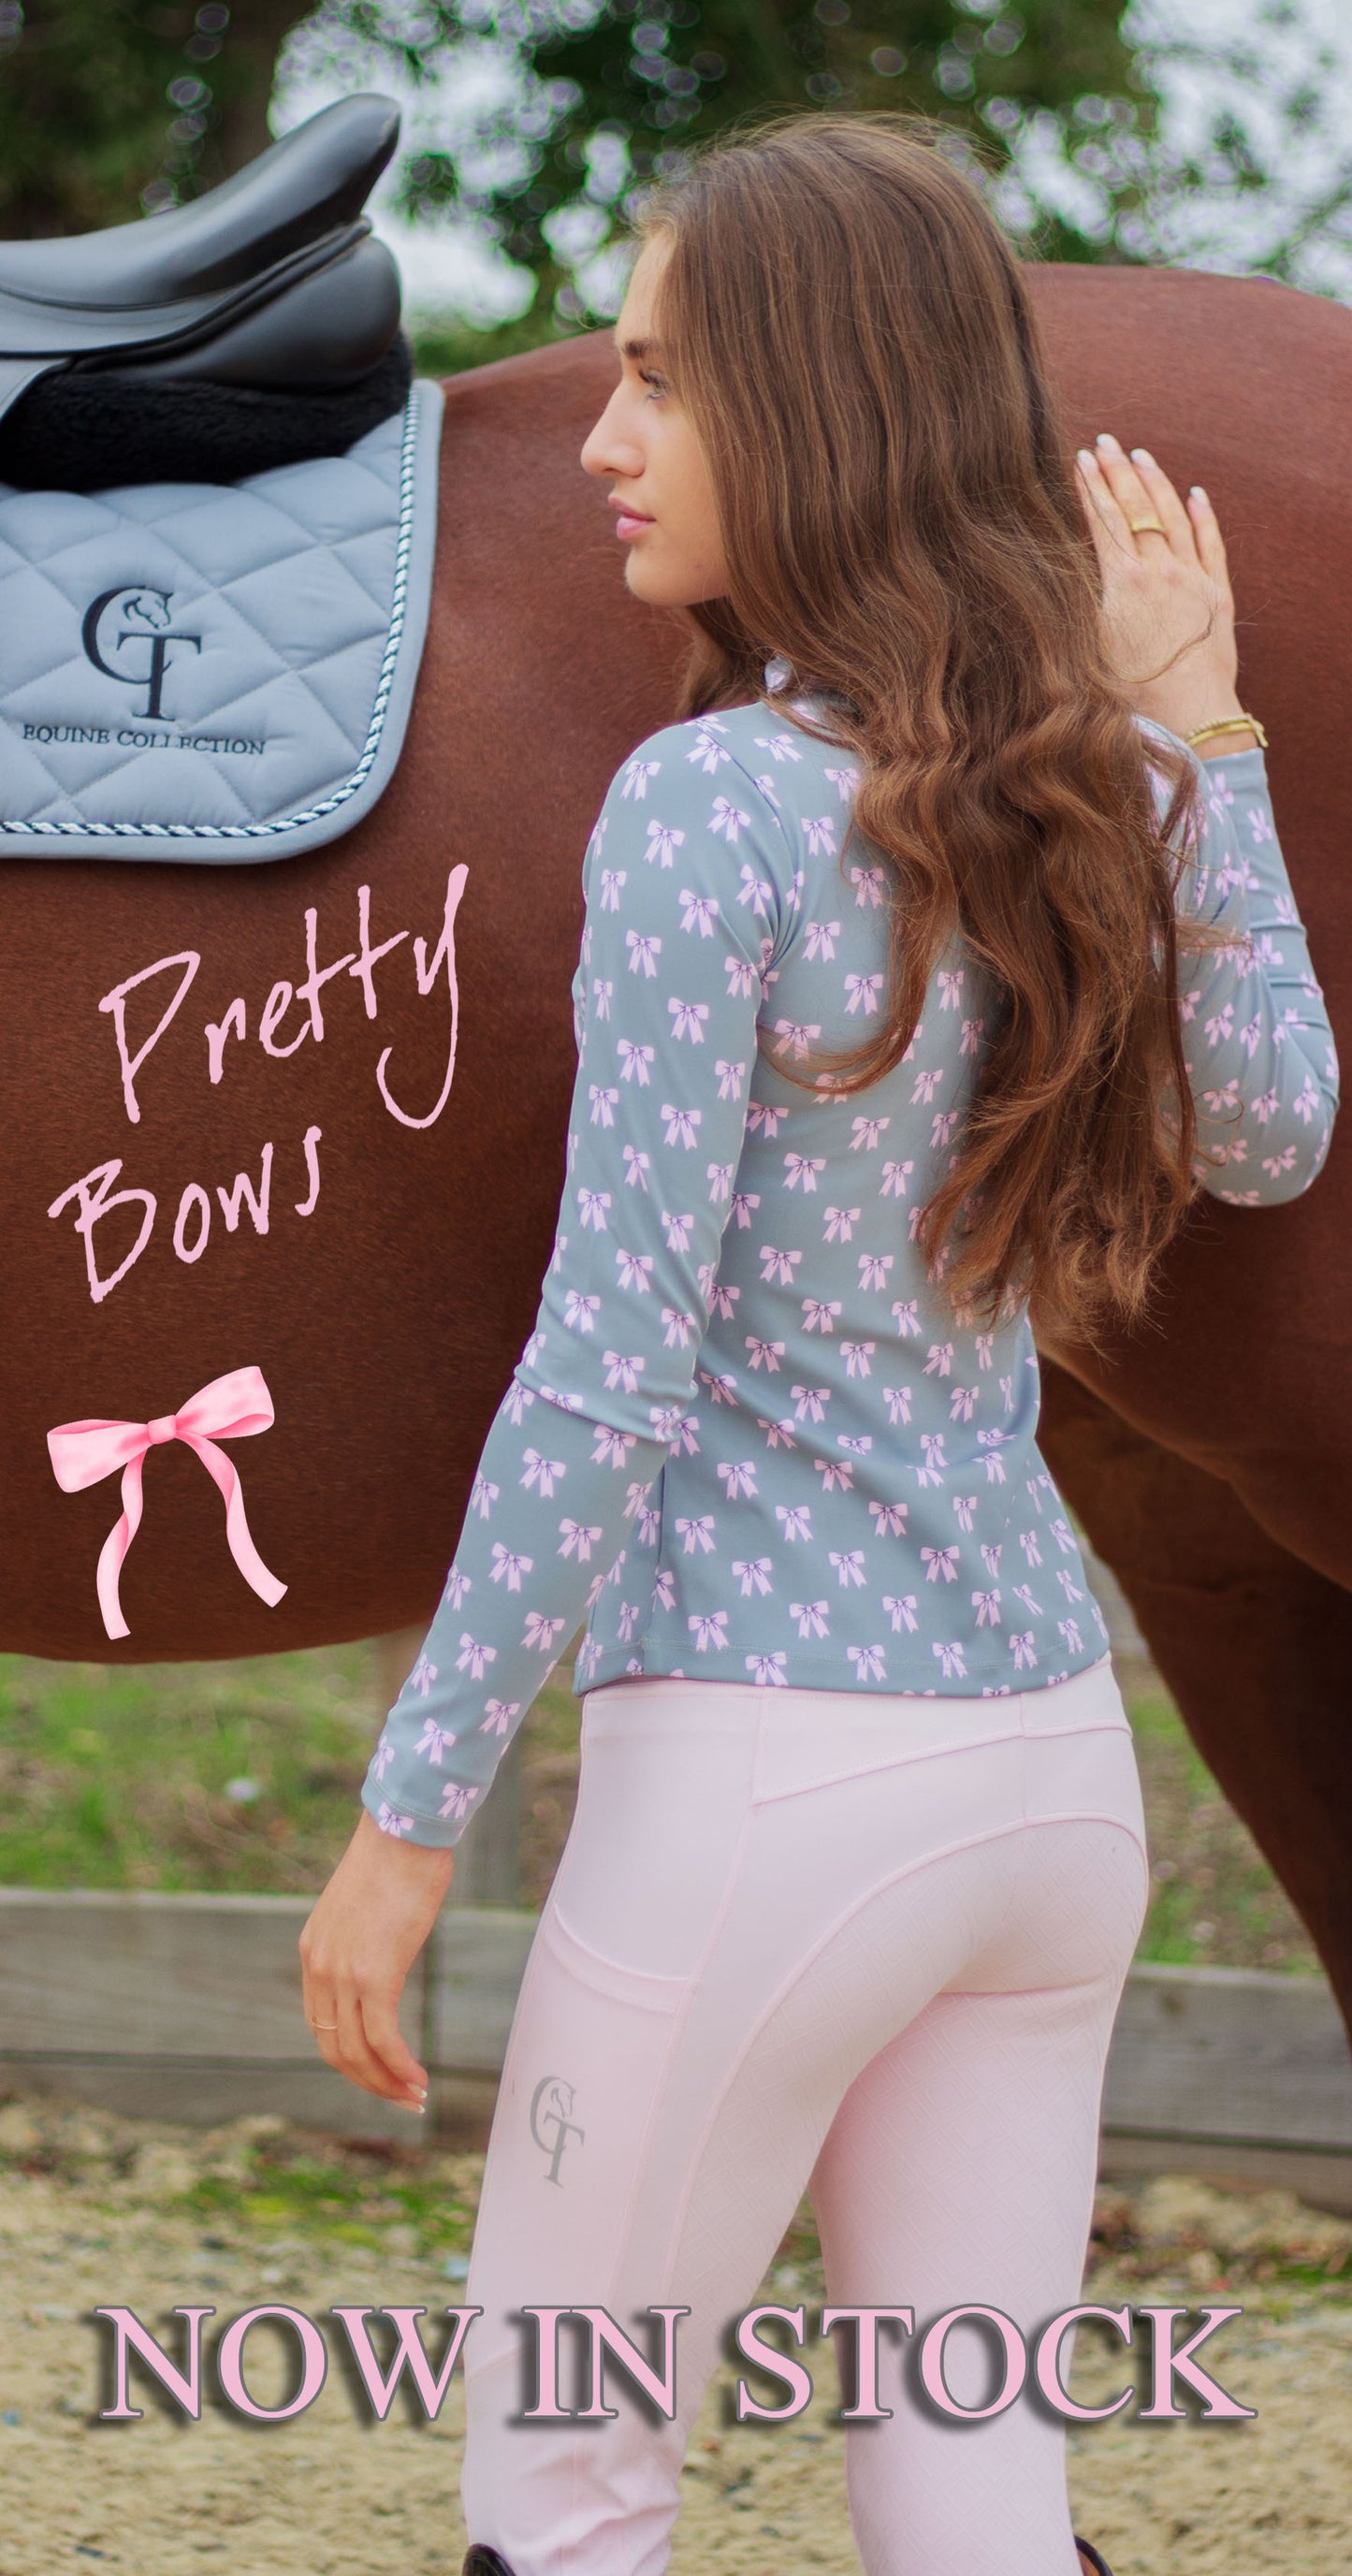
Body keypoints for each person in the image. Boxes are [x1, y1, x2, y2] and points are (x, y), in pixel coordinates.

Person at [298, 110, 1339, 2576]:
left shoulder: (701, 816)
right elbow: (1279, 1133)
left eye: (662, 376)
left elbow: (610, 1353)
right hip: (1044, 1802)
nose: (599, 438)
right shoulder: (1090, 791)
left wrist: (408, 1812)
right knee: (975, 2508)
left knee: (563, 2494)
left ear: (820, 410)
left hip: (763, 1798)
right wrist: (1209, 733)